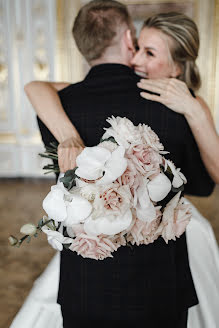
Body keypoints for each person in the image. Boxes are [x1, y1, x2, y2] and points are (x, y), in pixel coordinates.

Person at [11, 2, 217, 328]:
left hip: (84, 287)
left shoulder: (56, 108)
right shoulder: (174, 107)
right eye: (139, 47)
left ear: (82, 46)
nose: (138, 57)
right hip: (160, 288)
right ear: (127, 39)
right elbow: (203, 186)